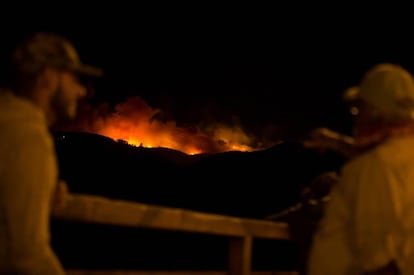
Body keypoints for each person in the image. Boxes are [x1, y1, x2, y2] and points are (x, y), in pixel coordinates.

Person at [0, 32, 102, 274]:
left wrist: (41, 194)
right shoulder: (25, 134)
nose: (81, 91)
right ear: (48, 77)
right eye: (74, 78)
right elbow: (25, 256)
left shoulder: (7, 119)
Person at [307, 63, 414, 275]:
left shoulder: (374, 168)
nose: (355, 116)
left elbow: (378, 259)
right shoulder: (403, 153)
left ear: (375, 111)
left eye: (359, 108)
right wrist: (337, 142)